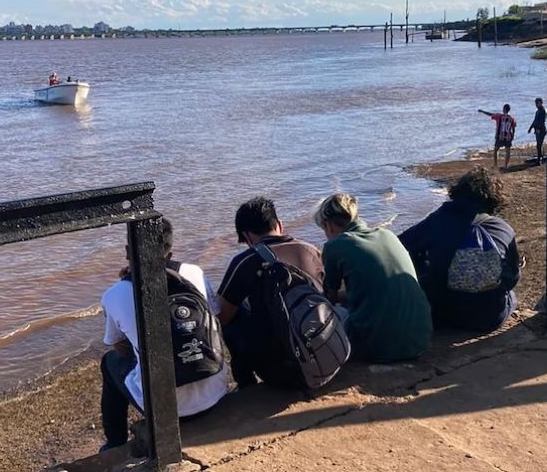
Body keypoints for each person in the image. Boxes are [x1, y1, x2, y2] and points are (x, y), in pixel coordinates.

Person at [99, 218, 229, 452]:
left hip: (167, 411)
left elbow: (120, 348)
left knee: (109, 363)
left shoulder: (115, 293)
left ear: (128, 251)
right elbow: (215, 317)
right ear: (170, 252)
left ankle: (115, 442)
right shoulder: (194, 272)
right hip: (216, 392)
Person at [217, 197, 326, 388]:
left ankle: (247, 385)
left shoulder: (245, 261)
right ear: (279, 225)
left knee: (231, 312)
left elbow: (223, 316)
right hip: (325, 356)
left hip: (282, 372)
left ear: (247, 237)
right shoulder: (311, 250)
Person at [398, 167, 520, 332]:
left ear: (458, 192)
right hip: (491, 316)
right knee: (511, 296)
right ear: (494, 199)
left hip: (443, 314)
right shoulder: (503, 228)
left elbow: (400, 245)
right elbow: (513, 278)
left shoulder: (439, 220)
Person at [314, 193, 432, 362]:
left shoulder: (334, 246)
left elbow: (330, 298)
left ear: (329, 225)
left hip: (376, 348)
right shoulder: (387, 235)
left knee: (322, 312)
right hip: (420, 339)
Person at [478, 104, 517, 169]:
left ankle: (495, 164)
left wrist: (482, 111)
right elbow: (513, 128)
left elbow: (490, 114)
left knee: (496, 150)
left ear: (504, 109)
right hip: (508, 137)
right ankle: (506, 165)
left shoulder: (499, 116)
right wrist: (512, 136)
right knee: (508, 151)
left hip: (500, 136)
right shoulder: (512, 119)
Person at [527, 97, 547, 165]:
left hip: (541, 130)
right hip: (537, 129)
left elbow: (542, 121)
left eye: (537, 103)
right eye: (535, 103)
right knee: (538, 145)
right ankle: (539, 159)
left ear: (541, 103)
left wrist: (538, 129)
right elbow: (535, 121)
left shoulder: (543, 111)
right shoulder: (537, 111)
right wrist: (530, 128)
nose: (536, 104)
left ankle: (539, 160)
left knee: (539, 145)